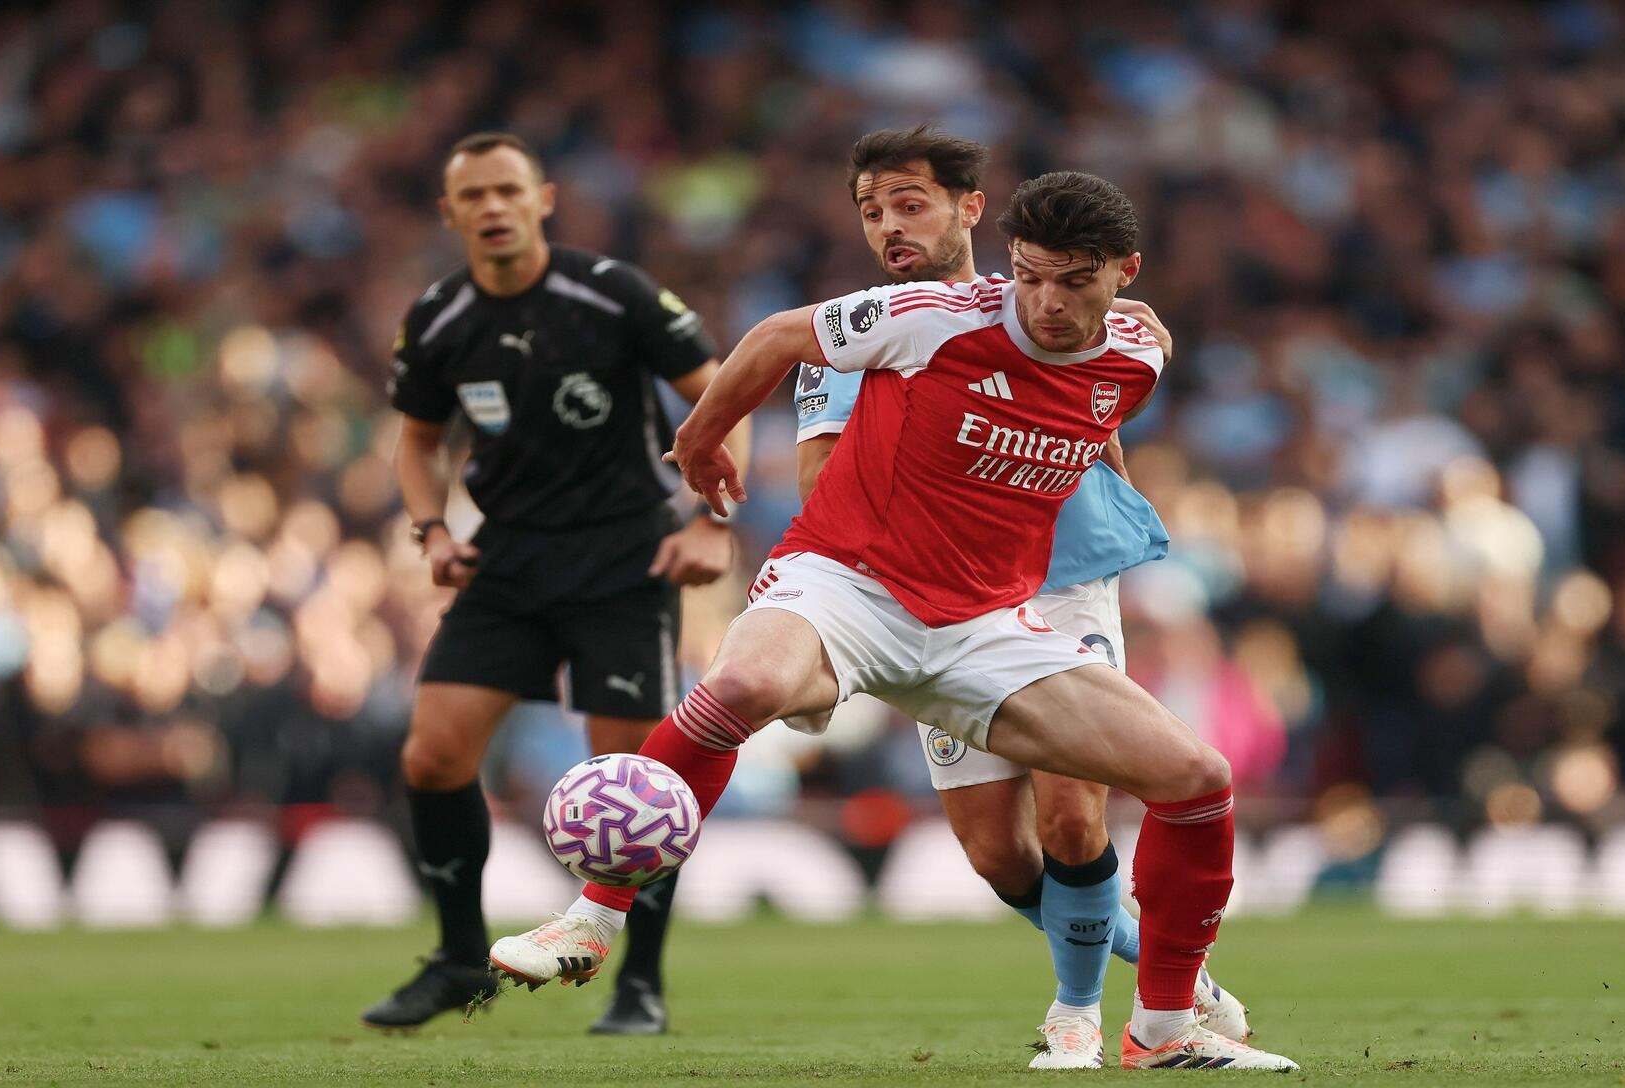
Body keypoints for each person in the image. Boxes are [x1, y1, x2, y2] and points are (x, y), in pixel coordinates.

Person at [491, 170, 1299, 1071]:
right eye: (1030, 275)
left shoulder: (1136, 359)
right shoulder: (931, 316)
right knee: (745, 682)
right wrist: (698, 438)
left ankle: (1162, 1027)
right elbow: (773, 336)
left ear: (1123, 273)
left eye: (1074, 281)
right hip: (848, 584)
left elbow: (1093, 429)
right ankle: (594, 918)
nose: (1046, 301)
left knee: (1196, 777)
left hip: (988, 623)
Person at [791, 126, 1247, 1068]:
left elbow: (1102, 410)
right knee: (999, 854)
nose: (889, 226)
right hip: (940, 596)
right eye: (871, 211)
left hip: (1063, 585)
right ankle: (1163, 963)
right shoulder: (869, 327)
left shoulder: (1075, 305)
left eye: (909, 203)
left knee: (1076, 815)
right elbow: (820, 478)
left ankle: (1077, 1015)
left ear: (972, 211)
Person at [362, 131, 750, 1035]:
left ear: (543, 198)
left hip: (624, 560)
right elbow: (417, 442)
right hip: (507, 561)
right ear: (449, 213)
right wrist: (430, 531)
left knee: (637, 788)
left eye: (508, 190)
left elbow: (722, 395)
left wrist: (710, 520)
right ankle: (460, 960)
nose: (492, 208)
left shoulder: (610, 294)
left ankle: (638, 985)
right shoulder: (438, 317)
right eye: (474, 196)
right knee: (432, 755)